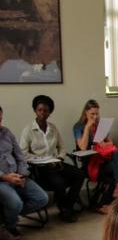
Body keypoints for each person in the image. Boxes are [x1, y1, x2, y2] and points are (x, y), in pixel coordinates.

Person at [20, 95, 85, 223]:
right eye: (39, 110)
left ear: (50, 112)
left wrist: (60, 158)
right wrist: (39, 159)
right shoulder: (28, 130)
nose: (42, 113)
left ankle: (67, 205)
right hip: (39, 168)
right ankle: (65, 210)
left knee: (80, 174)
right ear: (35, 110)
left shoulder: (53, 128)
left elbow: (62, 147)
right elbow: (23, 153)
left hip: (55, 163)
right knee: (59, 182)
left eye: (46, 110)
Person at [0, 105, 49, 239]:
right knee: (16, 203)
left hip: (18, 176)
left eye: (0, 118)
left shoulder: (6, 132)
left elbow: (19, 155)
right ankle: (10, 226)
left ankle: (8, 216)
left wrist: (21, 174)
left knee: (42, 198)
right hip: (2, 180)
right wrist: (5, 177)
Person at [73, 99, 118, 213]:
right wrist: (88, 127)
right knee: (113, 175)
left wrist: (102, 144)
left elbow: (111, 143)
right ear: (85, 113)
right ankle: (102, 204)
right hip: (89, 162)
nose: (95, 116)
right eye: (92, 114)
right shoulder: (78, 126)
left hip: (103, 159)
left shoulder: (100, 125)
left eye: (97, 113)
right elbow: (82, 147)